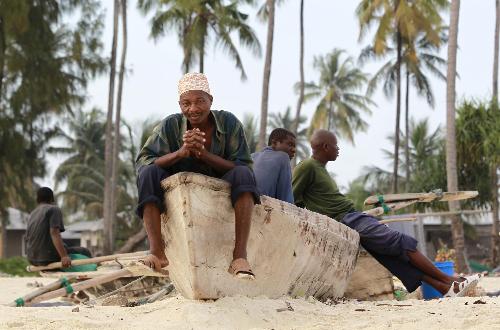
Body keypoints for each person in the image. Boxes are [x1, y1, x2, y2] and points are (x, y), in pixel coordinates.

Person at [292, 129, 479, 297]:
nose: (338, 149)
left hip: (351, 218)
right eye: (336, 146)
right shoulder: (307, 166)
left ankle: (444, 289)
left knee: (394, 258)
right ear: (325, 147)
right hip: (349, 219)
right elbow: (292, 198)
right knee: (402, 243)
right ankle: (450, 280)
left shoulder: (319, 169)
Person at [135, 72, 260, 279]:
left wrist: (204, 155)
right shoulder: (170, 125)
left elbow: (242, 163)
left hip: (221, 181)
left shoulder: (228, 122)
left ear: (211, 100)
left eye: (200, 101)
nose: (192, 109)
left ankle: (239, 257)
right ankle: (157, 252)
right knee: (148, 173)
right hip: (178, 179)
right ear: (180, 105)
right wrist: (181, 152)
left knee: (244, 175)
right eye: (186, 103)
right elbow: (143, 161)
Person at [25, 187, 91, 267]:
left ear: (37, 199)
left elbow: (27, 238)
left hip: (32, 259)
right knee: (84, 251)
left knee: (65, 247)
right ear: (52, 198)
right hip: (47, 258)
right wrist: (64, 256)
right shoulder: (53, 209)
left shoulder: (32, 213)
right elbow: (54, 233)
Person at [252, 128, 296, 204]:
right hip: (260, 206)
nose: (294, 150)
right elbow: (286, 201)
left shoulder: (251, 156)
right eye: (290, 144)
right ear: (274, 143)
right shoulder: (283, 157)